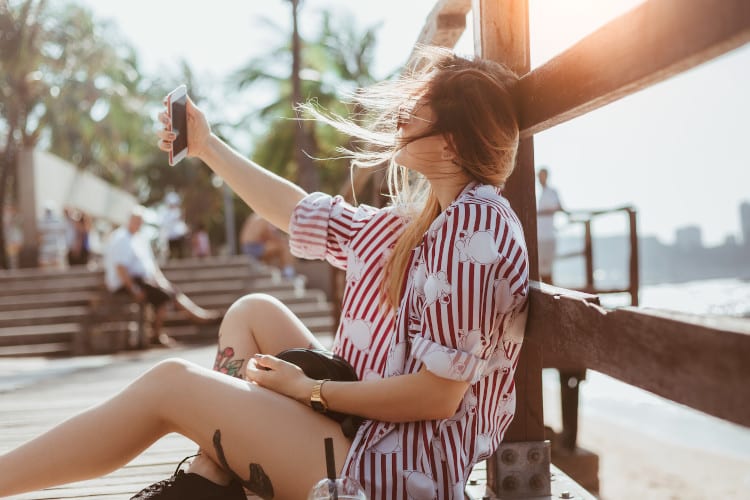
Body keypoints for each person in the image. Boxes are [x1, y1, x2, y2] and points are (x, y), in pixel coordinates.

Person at [0, 47, 529, 499]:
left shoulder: (476, 224)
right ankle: (215, 471)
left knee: (172, 385)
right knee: (253, 312)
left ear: (453, 141)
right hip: (367, 434)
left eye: (418, 110)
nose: (401, 118)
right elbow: (298, 211)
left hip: (393, 473)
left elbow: (438, 396)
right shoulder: (422, 224)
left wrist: (312, 390)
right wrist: (207, 146)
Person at [103, 206, 221, 346]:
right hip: (129, 283)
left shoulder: (139, 238)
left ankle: (199, 316)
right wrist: (134, 289)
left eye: (140, 220)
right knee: (164, 298)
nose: (139, 223)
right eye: (136, 220)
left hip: (144, 280)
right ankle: (158, 334)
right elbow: (120, 268)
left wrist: (162, 282)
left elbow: (152, 267)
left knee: (171, 292)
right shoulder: (121, 238)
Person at [240, 212, 296, 278]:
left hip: (246, 247)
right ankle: (288, 272)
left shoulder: (255, 216)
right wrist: (285, 239)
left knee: (276, 246)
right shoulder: (265, 217)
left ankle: (274, 270)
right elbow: (271, 236)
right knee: (283, 247)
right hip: (254, 248)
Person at [536, 166, 564, 284]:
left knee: (547, 271)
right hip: (540, 237)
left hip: (547, 237)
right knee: (541, 270)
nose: (540, 179)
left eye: (542, 176)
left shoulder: (551, 192)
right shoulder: (541, 194)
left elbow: (558, 207)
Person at [161, 191, 190, 259]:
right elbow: (164, 223)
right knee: (171, 252)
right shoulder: (166, 213)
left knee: (180, 252)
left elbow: (181, 222)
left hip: (178, 235)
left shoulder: (178, 211)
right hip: (170, 235)